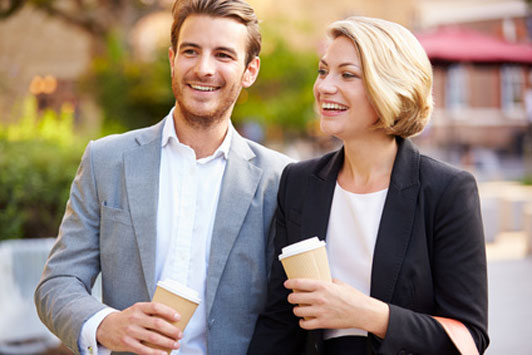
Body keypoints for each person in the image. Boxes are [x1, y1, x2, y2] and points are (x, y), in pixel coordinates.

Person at [34, 0, 291, 354]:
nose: (203, 68)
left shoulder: (279, 179)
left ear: (250, 71)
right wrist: (106, 324)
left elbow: (287, 313)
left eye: (223, 55)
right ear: (172, 59)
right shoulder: (106, 160)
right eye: (191, 51)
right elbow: (58, 283)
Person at [248, 16, 489, 355]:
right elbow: (279, 320)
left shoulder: (447, 191)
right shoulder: (299, 183)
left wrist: (366, 313)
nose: (325, 87)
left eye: (347, 74)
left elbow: (469, 338)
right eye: (323, 71)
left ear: (389, 87)